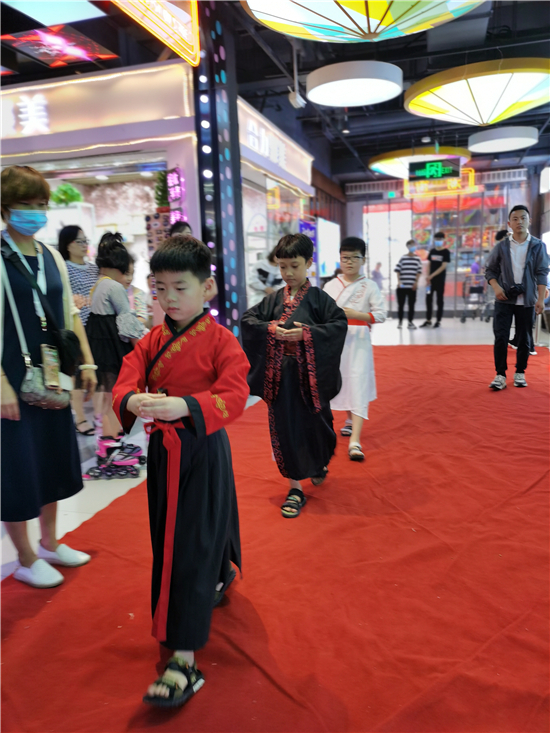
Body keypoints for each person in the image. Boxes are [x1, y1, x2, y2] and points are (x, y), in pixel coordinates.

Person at [112, 236, 250, 708]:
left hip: (203, 448)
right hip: (164, 453)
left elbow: (234, 395)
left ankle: (184, 660)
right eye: (160, 288)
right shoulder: (151, 340)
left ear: (207, 287)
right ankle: (218, 573)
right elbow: (126, 380)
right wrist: (133, 399)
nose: (169, 298)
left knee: (186, 545)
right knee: (179, 536)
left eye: (180, 287)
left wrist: (187, 406)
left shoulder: (222, 340)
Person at [1, 165, 97, 589]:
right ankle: (24, 557)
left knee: (52, 457)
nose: (36, 212)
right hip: (11, 374)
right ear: (6, 207)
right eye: (27, 205)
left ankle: (50, 543)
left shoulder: (52, 255)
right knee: (17, 465)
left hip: (54, 372)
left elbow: (70, 314)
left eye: (42, 204)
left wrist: (87, 362)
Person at [241, 233, 348, 518]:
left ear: (309, 263)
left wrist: (307, 334)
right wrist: (271, 330)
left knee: (318, 426)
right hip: (281, 379)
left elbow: (339, 324)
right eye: (282, 266)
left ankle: (319, 460)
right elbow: (248, 321)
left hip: (311, 381)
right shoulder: (273, 299)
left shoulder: (319, 299)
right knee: (285, 429)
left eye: (295, 266)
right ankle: (295, 488)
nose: (288, 273)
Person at [324, 237, 386, 461]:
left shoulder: (369, 286)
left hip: (359, 341)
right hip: (335, 341)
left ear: (363, 260)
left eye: (354, 258)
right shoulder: (330, 286)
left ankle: (355, 442)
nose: (349, 262)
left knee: (358, 383)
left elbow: (381, 314)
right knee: (342, 382)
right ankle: (349, 419)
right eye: (345, 258)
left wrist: (356, 315)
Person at [86, 233, 146, 441]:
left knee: (107, 394)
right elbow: (127, 321)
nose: (128, 278)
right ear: (117, 267)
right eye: (126, 272)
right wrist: (141, 346)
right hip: (112, 346)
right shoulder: (114, 287)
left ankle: (110, 437)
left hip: (99, 345)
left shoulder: (98, 284)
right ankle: (111, 441)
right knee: (115, 394)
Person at [485, 205, 548, 390]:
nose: (519, 221)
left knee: (524, 338)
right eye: (515, 219)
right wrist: (496, 287)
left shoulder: (538, 245)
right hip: (504, 299)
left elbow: (542, 272)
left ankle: (520, 372)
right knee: (501, 337)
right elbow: (490, 270)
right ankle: (500, 375)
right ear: (509, 223)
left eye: (523, 218)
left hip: (527, 300)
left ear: (529, 221)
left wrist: (540, 299)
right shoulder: (501, 246)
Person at [58, 224, 100, 435]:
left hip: (96, 326)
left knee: (94, 373)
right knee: (75, 374)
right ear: (68, 245)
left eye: (86, 241)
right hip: (76, 327)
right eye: (79, 241)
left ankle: (99, 417)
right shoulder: (63, 268)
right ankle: (80, 418)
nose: (84, 245)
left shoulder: (94, 269)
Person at [419, 232, 451, 328]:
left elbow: (443, 266)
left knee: (439, 300)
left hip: (440, 281)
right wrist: (427, 277)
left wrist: (431, 276)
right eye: (436, 239)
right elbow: (429, 264)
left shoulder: (446, 252)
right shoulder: (432, 251)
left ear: (443, 240)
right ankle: (428, 320)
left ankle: (438, 320)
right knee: (428, 299)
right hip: (430, 282)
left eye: (440, 239)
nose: (438, 241)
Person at [394, 239, 422, 329]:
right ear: (407, 247)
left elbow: (418, 272)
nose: (412, 247)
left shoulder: (417, 259)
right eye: (410, 245)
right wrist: (399, 282)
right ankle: (400, 322)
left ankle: (410, 322)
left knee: (411, 305)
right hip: (402, 286)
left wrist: (416, 282)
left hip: (412, 286)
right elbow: (398, 270)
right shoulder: (403, 258)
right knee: (401, 305)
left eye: (413, 245)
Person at [125, 253, 149, 327]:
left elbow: (143, 317)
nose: (130, 278)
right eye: (126, 274)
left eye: (132, 274)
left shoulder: (137, 293)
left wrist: (127, 325)